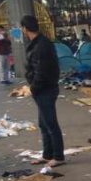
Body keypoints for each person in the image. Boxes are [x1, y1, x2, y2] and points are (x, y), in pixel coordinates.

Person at [22, 15, 64, 168]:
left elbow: (42, 70)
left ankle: (58, 156)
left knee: (51, 123)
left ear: (25, 29)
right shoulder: (38, 43)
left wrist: (33, 87)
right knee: (43, 123)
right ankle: (47, 154)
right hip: (42, 88)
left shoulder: (42, 45)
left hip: (45, 88)